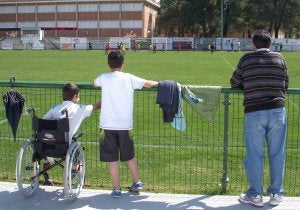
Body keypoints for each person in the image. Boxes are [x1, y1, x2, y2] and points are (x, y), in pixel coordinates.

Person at [230, 30, 289, 207]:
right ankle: (276, 194)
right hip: (278, 111)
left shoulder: (246, 59)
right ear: (270, 44)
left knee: (255, 154)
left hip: (254, 111)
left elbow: (234, 82)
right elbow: (286, 83)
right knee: (277, 153)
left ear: (253, 45)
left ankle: (255, 195)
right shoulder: (280, 59)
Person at [93, 50, 158, 198]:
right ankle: (137, 182)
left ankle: (117, 189)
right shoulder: (129, 78)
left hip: (107, 125)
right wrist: (164, 84)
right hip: (125, 126)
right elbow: (148, 83)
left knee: (112, 159)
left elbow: (94, 83)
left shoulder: (103, 77)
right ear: (123, 64)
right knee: (129, 156)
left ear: (108, 64)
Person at [42, 83, 101, 186]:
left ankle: (47, 165)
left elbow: (42, 122)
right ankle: (76, 166)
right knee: (74, 138)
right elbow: (96, 106)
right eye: (78, 96)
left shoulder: (54, 108)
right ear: (74, 97)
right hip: (64, 146)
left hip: (46, 146)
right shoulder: (80, 109)